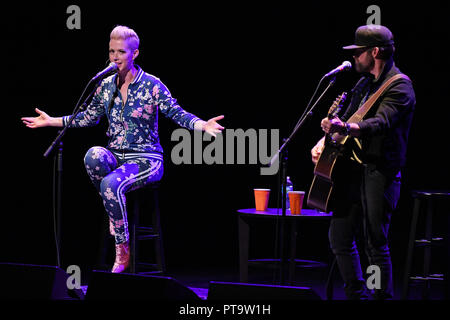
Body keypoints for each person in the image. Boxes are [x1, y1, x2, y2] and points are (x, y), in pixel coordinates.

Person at [22, 25, 224, 273]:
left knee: (110, 184)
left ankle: (122, 247)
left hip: (147, 158)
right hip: (116, 155)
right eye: (111, 51)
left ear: (135, 54)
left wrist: (203, 125)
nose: (115, 57)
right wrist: (51, 121)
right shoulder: (105, 85)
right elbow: (88, 117)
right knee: (93, 155)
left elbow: (176, 113)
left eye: (121, 52)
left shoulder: (152, 84)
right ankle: (115, 214)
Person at [311, 25, 415, 299]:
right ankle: (356, 294)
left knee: (375, 242)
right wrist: (326, 136)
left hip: (380, 171)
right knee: (340, 237)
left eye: (359, 52)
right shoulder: (363, 83)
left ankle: (381, 296)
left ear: (375, 52)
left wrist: (345, 128)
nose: (355, 57)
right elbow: (345, 116)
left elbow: (379, 122)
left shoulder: (400, 85)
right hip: (351, 170)